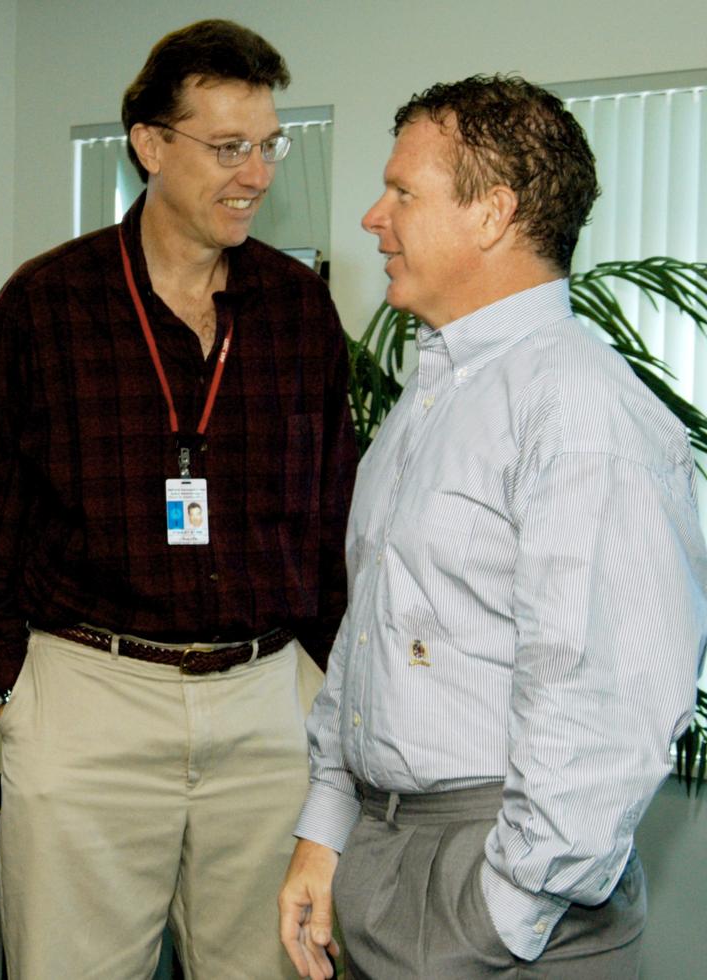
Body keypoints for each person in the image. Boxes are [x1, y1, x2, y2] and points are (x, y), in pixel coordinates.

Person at [0, 18, 357, 978]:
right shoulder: (46, 307)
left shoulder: (297, 311)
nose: (256, 173)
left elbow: (337, 521)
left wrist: (321, 683)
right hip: (91, 701)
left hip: (268, 707)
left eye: (268, 145)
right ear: (150, 146)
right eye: (228, 147)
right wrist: (19, 691)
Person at [278, 74, 707, 979]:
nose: (372, 217)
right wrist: (326, 831)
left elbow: (609, 696)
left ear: (492, 215)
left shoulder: (580, 411)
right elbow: (373, 632)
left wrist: (506, 914)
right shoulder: (431, 398)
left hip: (497, 887)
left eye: (403, 192)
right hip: (392, 854)